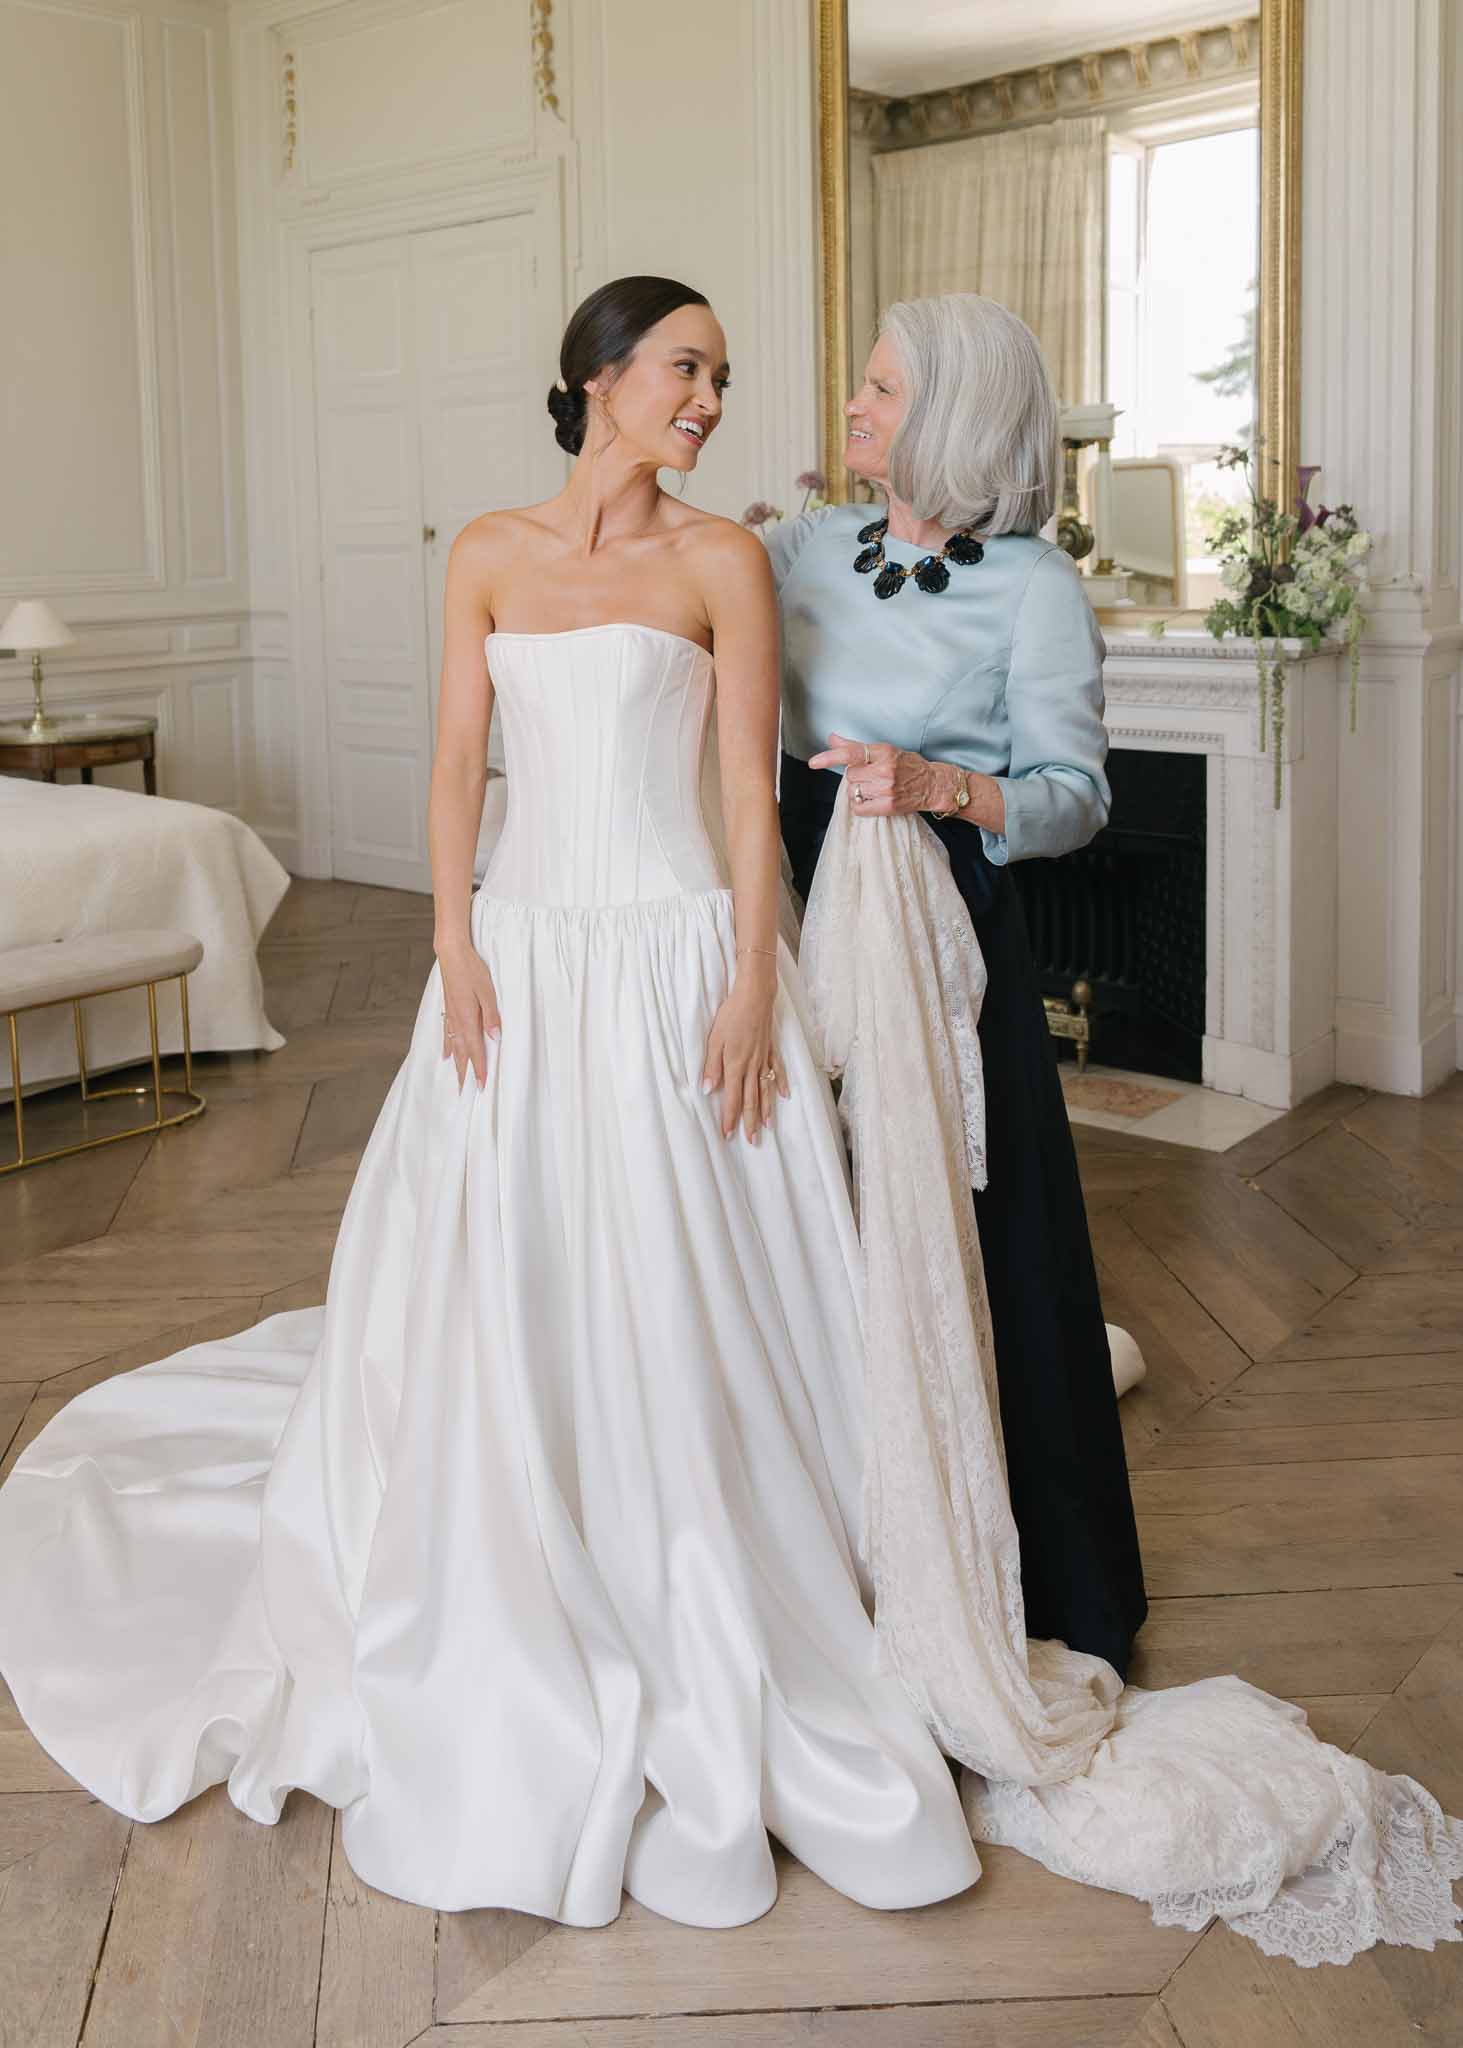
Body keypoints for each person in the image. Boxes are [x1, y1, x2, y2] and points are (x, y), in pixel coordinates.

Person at [0, 276, 981, 1929]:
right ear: (600, 378)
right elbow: (458, 766)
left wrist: (754, 976)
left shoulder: (721, 560)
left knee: (699, 1285)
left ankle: (726, 1562)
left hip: (674, 958)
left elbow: (746, 789)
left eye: (724, 379)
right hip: (520, 957)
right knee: (496, 1267)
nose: (710, 400)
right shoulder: (489, 554)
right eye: (687, 369)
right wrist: (454, 937)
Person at [774, 294, 1146, 1679]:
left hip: (945, 922)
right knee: (816, 1200)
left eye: (881, 388)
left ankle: (1014, 1564)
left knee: (982, 1237)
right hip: (801, 906)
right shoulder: (805, 545)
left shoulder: (1036, 588)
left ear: (953, 417)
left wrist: (939, 785)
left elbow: (1077, 798)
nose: (856, 406)